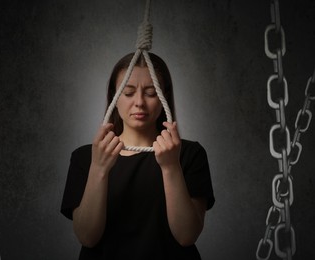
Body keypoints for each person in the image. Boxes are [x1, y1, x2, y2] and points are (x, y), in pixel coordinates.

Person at [61, 52, 215, 260]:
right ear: (114, 97)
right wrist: (98, 168)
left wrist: (171, 167)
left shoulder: (189, 154)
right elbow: (87, 237)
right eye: (128, 92)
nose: (139, 102)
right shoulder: (85, 158)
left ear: (164, 99)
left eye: (151, 93)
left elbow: (186, 236)